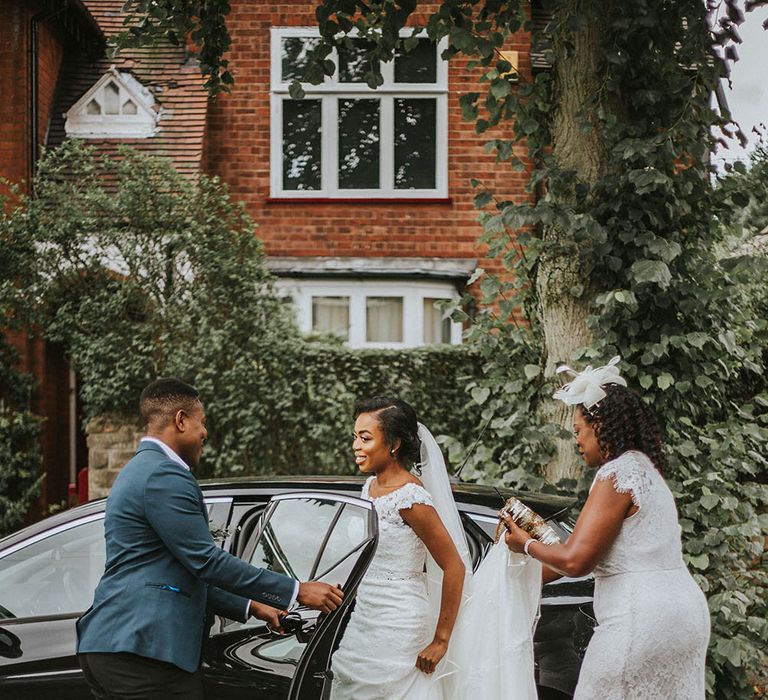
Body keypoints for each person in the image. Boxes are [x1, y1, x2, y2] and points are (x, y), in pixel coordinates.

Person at [77, 378, 343, 699]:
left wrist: (253, 606)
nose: (205, 433)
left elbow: (176, 571)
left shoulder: (143, 469)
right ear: (180, 420)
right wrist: (296, 591)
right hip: (144, 649)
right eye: (202, 423)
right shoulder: (164, 474)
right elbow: (205, 561)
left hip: (125, 646)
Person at [503, 357, 711, 699]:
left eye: (578, 431)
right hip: (684, 617)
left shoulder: (616, 474)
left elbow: (575, 561)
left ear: (600, 425)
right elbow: (587, 551)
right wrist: (513, 580)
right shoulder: (644, 471)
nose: (577, 441)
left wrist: (524, 544)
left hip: (641, 619)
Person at [330, 397, 467, 699]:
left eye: (365, 438)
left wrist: (441, 640)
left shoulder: (411, 498)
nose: (355, 445)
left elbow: (455, 566)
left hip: (399, 622)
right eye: (355, 437)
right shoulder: (369, 487)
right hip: (364, 616)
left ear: (393, 444)